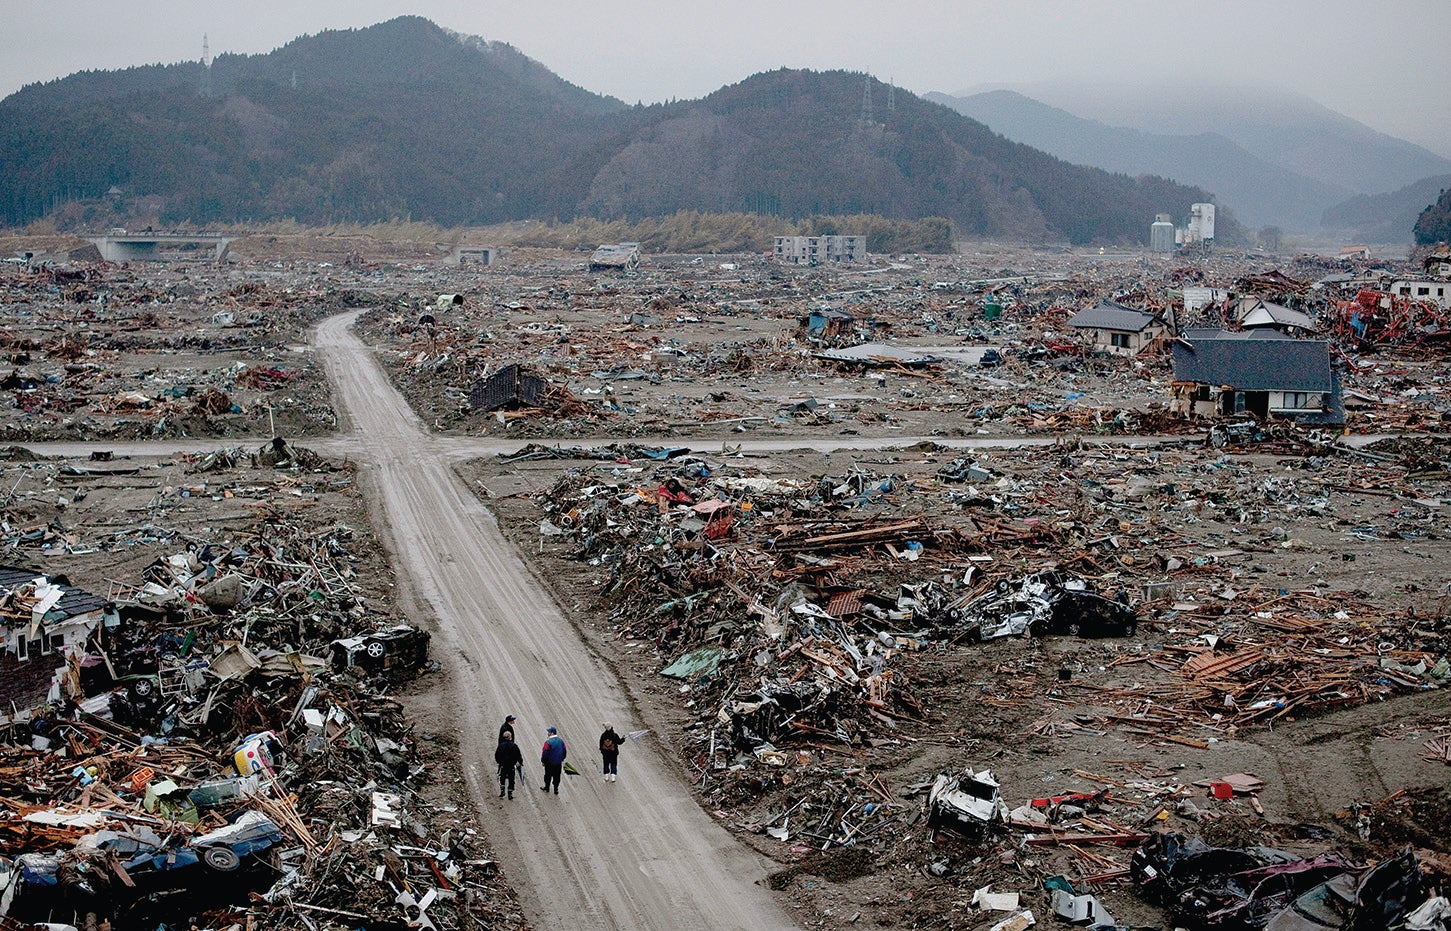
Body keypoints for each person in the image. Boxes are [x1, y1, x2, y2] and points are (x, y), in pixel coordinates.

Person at [494, 734, 523, 800]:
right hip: (511, 765)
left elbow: (497, 755)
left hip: (503, 765)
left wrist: (499, 762)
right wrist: (520, 762)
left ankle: (502, 790)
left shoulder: (501, 746)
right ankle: (510, 793)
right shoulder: (514, 746)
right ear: (510, 737)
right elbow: (518, 755)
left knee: (502, 777)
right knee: (511, 779)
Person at [540, 727, 567, 795]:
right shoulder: (561, 741)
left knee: (548, 776)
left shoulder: (548, 742)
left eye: (548, 732)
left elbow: (545, 753)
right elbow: (564, 751)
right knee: (557, 776)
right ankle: (556, 789)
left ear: (551, 733)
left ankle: (547, 788)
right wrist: (562, 759)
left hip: (549, 763)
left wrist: (543, 761)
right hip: (558, 763)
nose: (547, 733)